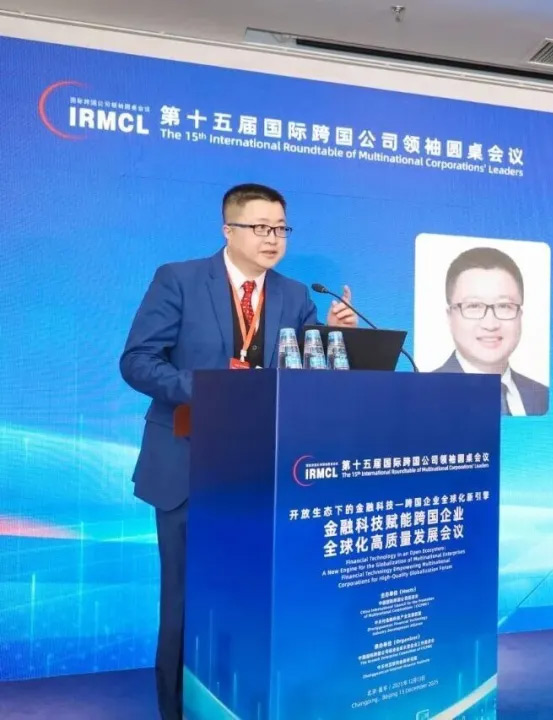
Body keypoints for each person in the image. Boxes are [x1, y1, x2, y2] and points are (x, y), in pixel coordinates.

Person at [119, 183, 356, 720]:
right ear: (229, 230)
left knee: (251, 602)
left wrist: (330, 335)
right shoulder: (178, 279)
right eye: (261, 228)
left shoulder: (295, 295)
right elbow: (137, 361)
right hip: (186, 465)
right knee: (185, 604)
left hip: (262, 472)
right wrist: (209, 387)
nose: (273, 239)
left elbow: (303, 373)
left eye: (281, 229)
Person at [433, 246, 549, 416]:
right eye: (474, 306)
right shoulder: (425, 395)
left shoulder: (543, 397)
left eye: (504, 306)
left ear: (520, 315)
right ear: (450, 316)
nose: (490, 324)